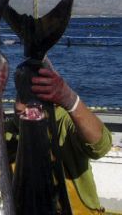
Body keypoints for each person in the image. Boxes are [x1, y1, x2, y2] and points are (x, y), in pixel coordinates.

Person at [10, 65, 112, 214]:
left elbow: (100, 147)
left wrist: (70, 100)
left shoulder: (65, 123)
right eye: (22, 95)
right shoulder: (7, 130)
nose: (25, 106)